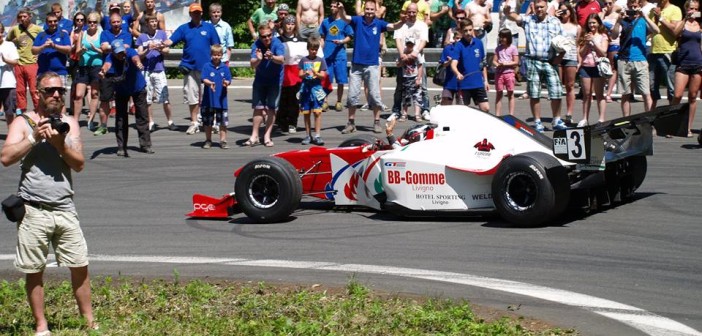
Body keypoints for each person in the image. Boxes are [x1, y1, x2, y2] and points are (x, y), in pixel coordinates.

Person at [0, 71, 97, 336]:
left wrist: (60, 144)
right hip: (33, 209)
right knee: (34, 270)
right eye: (50, 90)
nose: (56, 95)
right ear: (38, 94)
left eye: (59, 91)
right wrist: (34, 138)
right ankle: (41, 326)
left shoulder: (69, 123)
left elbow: (79, 165)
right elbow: (6, 157)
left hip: (64, 207)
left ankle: (89, 322)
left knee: (80, 264)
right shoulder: (23, 122)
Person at [504, 0, 567, 132]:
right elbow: (514, 16)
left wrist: (559, 58)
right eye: (537, 7)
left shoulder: (555, 22)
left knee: (556, 92)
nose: (539, 9)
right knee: (534, 93)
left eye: (542, 7)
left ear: (547, 7)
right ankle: (537, 122)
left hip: (550, 61)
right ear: (533, 7)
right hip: (533, 61)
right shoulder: (528, 20)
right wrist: (507, 11)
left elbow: (564, 42)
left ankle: (556, 120)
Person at [338, 0, 397, 134]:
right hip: (357, 65)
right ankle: (351, 123)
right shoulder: (358, 20)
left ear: (375, 10)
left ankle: (376, 122)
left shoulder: (379, 23)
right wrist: (341, 9)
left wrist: (403, 21)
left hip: (372, 65)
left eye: (372, 10)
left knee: (375, 95)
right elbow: (344, 17)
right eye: (368, 9)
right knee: (352, 95)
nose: (370, 12)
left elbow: (393, 26)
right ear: (364, 9)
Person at [161, 3, 221, 135]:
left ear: (202, 13)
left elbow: (217, 46)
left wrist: (217, 64)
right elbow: (170, 41)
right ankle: (194, 123)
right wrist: (159, 44)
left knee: (210, 96)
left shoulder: (209, 27)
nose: (196, 14)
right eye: (194, 12)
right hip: (190, 67)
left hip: (207, 68)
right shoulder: (184, 28)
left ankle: (212, 122)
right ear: (190, 14)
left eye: (198, 12)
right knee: (191, 96)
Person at [99, 39, 152, 156]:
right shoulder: (110, 57)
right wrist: (103, 71)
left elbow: (135, 58)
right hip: (121, 90)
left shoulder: (130, 52)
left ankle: (145, 145)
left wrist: (138, 63)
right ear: (112, 52)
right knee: (121, 119)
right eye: (118, 53)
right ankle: (121, 147)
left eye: (122, 52)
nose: (121, 55)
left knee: (142, 116)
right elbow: (107, 65)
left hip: (137, 88)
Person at [610, 0, 659, 116]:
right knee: (625, 94)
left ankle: (649, 121)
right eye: (630, 6)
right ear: (626, 7)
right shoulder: (623, 21)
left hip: (640, 60)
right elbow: (613, 35)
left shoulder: (643, 20)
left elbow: (657, 30)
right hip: (624, 60)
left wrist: (645, 16)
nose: (632, 8)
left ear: (639, 6)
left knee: (646, 93)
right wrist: (618, 21)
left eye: (635, 6)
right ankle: (626, 121)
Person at [246, 24, 285, 147]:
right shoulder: (256, 44)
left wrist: (272, 57)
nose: (267, 38)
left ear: (272, 33)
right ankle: (254, 135)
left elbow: (282, 59)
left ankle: (267, 135)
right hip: (260, 80)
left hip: (275, 80)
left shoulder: (277, 43)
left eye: (269, 35)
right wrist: (258, 59)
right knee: (258, 108)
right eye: (264, 36)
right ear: (260, 36)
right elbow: (252, 64)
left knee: (271, 108)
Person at [392, 3, 430, 121]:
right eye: (409, 12)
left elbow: (424, 40)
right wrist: (401, 53)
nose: (412, 14)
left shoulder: (422, 25)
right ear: (406, 12)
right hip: (403, 60)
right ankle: (397, 111)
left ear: (417, 12)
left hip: (418, 59)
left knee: (422, 86)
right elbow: (397, 39)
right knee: (400, 87)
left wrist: (416, 52)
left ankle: (425, 110)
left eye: (414, 12)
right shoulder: (401, 25)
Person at [136, 14, 175, 131]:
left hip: (159, 69)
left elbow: (167, 50)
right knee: (147, 98)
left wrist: (159, 47)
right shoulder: (142, 37)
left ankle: (170, 121)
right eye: (151, 22)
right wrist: (148, 48)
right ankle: (151, 122)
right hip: (147, 71)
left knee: (165, 97)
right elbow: (139, 54)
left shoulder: (162, 34)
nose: (153, 24)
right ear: (147, 24)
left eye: (155, 22)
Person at [96, 12, 132, 135]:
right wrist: (118, 46)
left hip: (122, 72)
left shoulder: (127, 34)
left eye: (118, 22)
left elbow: (126, 47)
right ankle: (103, 126)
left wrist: (111, 46)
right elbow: (103, 47)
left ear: (121, 22)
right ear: (110, 23)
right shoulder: (105, 33)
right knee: (105, 100)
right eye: (113, 22)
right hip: (108, 72)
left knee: (122, 100)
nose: (116, 24)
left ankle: (121, 125)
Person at [670, 0, 701, 138]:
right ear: (686, 9)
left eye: (695, 9)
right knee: (677, 95)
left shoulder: (700, 25)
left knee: (693, 96)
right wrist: (685, 19)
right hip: (683, 62)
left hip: (698, 63)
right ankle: (670, 126)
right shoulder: (682, 24)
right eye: (691, 8)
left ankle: (687, 127)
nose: (693, 11)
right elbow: (675, 34)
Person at [6, 8, 43, 114]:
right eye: (20, 17)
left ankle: (38, 110)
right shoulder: (15, 29)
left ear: (30, 17)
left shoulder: (37, 29)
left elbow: (45, 41)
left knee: (33, 90)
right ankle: (22, 111)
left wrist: (40, 54)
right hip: (18, 63)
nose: (22, 19)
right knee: (20, 90)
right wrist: (13, 44)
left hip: (32, 63)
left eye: (25, 16)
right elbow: (7, 42)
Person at [319, 0, 354, 112]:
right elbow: (322, 37)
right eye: (331, 6)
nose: (332, 8)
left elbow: (350, 36)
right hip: (327, 55)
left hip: (340, 55)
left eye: (335, 6)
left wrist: (342, 41)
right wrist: (321, 50)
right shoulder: (325, 22)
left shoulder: (344, 22)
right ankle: (325, 101)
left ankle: (339, 101)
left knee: (340, 79)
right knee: (326, 79)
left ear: (339, 8)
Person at [450, 20, 490, 112]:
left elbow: (482, 63)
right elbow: (453, 64)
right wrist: (457, 73)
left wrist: (486, 81)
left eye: (470, 30)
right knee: (462, 112)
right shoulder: (458, 46)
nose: (468, 33)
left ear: (473, 29)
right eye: (465, 31)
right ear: (461, 31)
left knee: (485, 108)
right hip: (464, 85)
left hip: (478, 83)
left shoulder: (479, 43)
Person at [648, 0, 681, 109]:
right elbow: (650, 29)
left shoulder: (675, 9)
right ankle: (651, 118)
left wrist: (661, 17)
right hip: (653, 51)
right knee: (652, 86)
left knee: (671, 87)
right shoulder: (652, 10)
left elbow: (675, 30)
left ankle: (671, 116)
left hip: (668, 51)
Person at [577, 14, 609, 126]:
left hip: (598, 67)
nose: (592, 25)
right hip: (586, 66)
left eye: (594, 22)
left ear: (598, 23)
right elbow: (581, 53)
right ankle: (585, 118)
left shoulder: (603, 36)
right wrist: (586, 43)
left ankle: (601, 119)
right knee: (586, 94)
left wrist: (594, 42)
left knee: (599, 94)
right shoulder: (584, 35)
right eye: (590, 23)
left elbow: (603, 52)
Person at [72, 12, 103, 130]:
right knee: (79, 95)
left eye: (94, 22)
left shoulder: (101, 34)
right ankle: (75, 120)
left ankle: (91, 119)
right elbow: (77, 52)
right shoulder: (83, 33)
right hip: (83, 66)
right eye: (90, 22)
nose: (92, 24)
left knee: (94, 93)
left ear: (98, 23)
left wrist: (96, 49)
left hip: (97, 66)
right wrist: (82, 50)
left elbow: (105, 51)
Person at [276, 15, 305, 135]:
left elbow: (304, 57)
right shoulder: (278, 40)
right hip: (282, 71)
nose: (290, 26)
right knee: (282, 98)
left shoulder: (301, 40)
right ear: (283, 25)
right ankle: (282, 122)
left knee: (294, 99)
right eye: (287, 24)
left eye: (292, 24)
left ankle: (293, 123)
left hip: (296, 71)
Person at [200, 44, 231, 149]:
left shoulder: (225, 68)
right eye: (214, 55)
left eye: (218, 55)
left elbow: (228, 80)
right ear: (211, 55)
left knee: (222, 122)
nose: (216, 57)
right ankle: (208, 140)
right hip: (208, 100)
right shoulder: (206, 66)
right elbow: (204, 78)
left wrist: (226, 83)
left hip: (221, 100)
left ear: (222, 55)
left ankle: (223, 140)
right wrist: (210, 83)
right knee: (208, 121)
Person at [298, 38, 328, 145]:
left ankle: (318, 135)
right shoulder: (303, 60)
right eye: (312, 49)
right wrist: (305, 74)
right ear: (308, 49)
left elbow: (323, 76)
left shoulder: (320, 60)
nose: (314, 51)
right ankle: (307, 135)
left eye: (316, 49)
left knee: (317, 112)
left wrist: (316, 73)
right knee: (306, 113)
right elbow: (299, 74)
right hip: (306, 88)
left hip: (316, 89)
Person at [32, 13, 72, 92]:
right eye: (50, 22)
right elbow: (33, 50)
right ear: (46, 23)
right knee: (42, 97)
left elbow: (68, 49)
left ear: (58, 22)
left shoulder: (63, 34)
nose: (53, 23)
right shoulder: (41, 35)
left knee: (59, 99)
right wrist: (43, 46)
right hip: (43, 72)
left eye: (55, 21)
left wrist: (54, 46)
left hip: (60, 72)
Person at [557, 3, 580, 124]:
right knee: (557, 85)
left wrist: (579, 58)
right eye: (561, 11)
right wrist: (555, 17)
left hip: (570, 56)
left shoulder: (577, 27)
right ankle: (557, 114)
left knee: (570, 85)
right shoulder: (556, 24)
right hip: (558, 56)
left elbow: (577, 45)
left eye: (565, 11)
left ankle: (569, 113)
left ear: (570, 11)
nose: (563, 13)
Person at [392, 37, 423, 122]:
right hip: (405, 77)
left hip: (415, 76)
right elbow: (397, 65)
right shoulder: (402, 53)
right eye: (408, 44)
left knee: (417, 96)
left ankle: (417, 115)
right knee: (406, 97)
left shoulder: (416, 54)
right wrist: (403, 59)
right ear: (406, 44)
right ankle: (404, 114)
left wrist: (419, 78)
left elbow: (420, 66)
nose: (410, 46)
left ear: (413, 45)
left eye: (411, 44)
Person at [493, 29, 519, 116]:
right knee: (499, 93)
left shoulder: (513, 48)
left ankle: (511, 114)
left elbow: (516, 62)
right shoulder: (498, 48)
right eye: (500, 37)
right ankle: (497, 115)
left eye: (504, 37)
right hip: (499, 73)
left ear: (508, 37)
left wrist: (506, 64)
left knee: (510, 93)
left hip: (509, 73)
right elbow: (494, 60)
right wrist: (497, 64)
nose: (502, 39)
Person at [601, 0, 621, 103]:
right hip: (602, 42)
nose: (607, 5)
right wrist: (604, 13)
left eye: (610, 3)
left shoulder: (617, 14)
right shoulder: (601, 14)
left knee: (613, 67)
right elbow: (596, 24)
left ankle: (608, 93)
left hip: (614, 43)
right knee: (602, 66)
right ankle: (599, 91)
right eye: (605, 3)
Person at [0, 23, 19, 125]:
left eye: (0, 31)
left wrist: (5, 60)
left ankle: (11, 134)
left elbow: (15, 62)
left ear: (2, 32)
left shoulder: (9, 45)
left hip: (7, 83)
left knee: (9, 111)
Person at [439, 31, 462, 105]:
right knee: (446, 103)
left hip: (462, 82)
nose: (458, 40)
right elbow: (443, 64)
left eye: (460, 39)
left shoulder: (465, 49)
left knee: (461, 106)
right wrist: (449, 62)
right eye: (457, 38)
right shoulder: (448, 48)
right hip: (449, 82)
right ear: (454, 38)